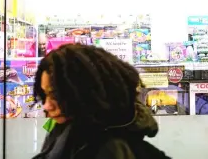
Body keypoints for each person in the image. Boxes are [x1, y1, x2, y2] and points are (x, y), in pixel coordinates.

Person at [32, 44, 171, 159]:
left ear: (85, 92)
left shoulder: (110, 149)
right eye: (45, 95)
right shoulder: (68, 128)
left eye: (55, 95)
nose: (47, 105)